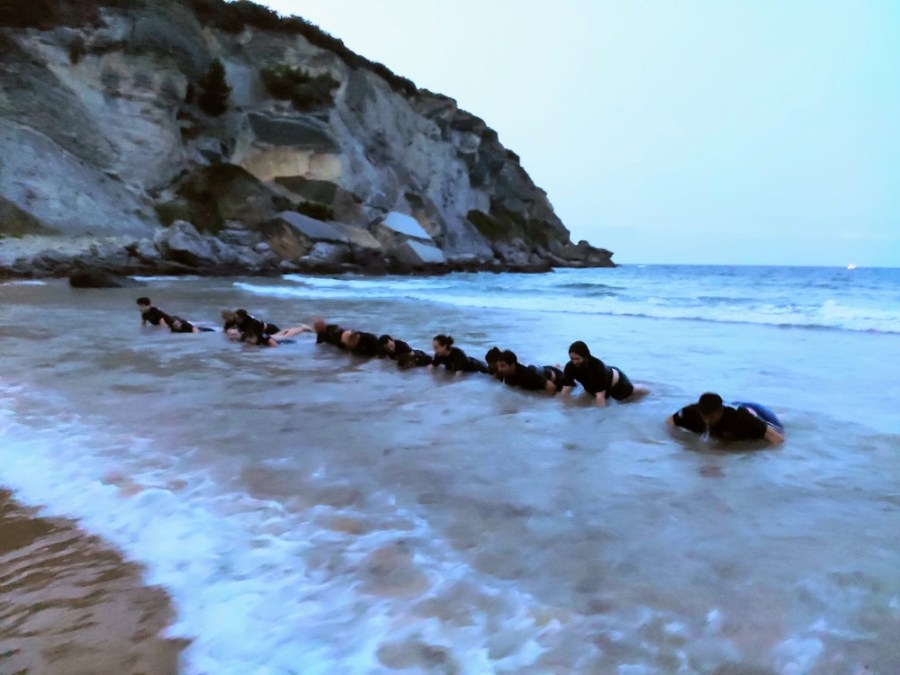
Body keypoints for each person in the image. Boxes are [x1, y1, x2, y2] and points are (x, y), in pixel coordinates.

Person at [667, 392, 784, 444]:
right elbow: (670, 422)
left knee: (778, 429)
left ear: (720, 411)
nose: (707, 421)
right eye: (704, 417)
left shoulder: (739, 418)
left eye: (712, 418)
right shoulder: (691, 411)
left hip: (757, 411)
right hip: (728, 405)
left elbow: (778, 439)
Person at [560, 340, 649, 406]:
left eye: (577, 359)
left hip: (617, 384)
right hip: (597, 384)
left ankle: (647, 390)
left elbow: (600, 397)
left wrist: (601, 421)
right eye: (572, 359)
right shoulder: (570, 367)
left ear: (586, 356)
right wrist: (564, 409)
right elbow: (565, 390)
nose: (574, 362)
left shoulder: (597, 368)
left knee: (626, 399)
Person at [239, 324, 313, 347]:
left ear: (254, 336)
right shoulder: (249, 337)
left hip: (283, 340)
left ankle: (303, 328)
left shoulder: (262, 336)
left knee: (287, 336)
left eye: (251, 340)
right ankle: (302, 328)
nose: (250, 342)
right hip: (276, 336)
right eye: (248, 341)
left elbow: (274, 346)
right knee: (285, 333)